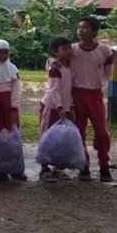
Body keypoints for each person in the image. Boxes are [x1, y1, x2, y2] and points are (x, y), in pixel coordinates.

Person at [71, 16, 115, 183]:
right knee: (79, 131)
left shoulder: (104, 50)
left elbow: (107, 72)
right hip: (77, 94)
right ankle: (84, 166)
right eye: (79, 27)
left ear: (94, 31)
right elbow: (56, 60)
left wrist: (97, 83)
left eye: (85, 27)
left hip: (95, 94)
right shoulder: (73, 49)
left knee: (102, 132)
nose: (80, 30)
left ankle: (104, 165)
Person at [0, 39, 26, 182]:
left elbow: (16, 89)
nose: (3, 56)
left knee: (13, 136)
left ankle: (16, 169)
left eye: (6, 52)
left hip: (10, 105)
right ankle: (1, 170)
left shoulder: (13, 69)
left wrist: (14, 108)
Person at [39, 36, 74, 182]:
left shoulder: (68, 67)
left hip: (63, 107)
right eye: (63, 48)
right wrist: (59, 106)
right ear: (55, 52)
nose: (68, 51)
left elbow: (68, 89)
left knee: (61, 139)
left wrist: (70, 106)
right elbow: (54, 90)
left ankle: (57, 168)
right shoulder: (55, 68)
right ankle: (44, 168)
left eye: (68, 48)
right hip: (51, 107)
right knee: (47, 136)